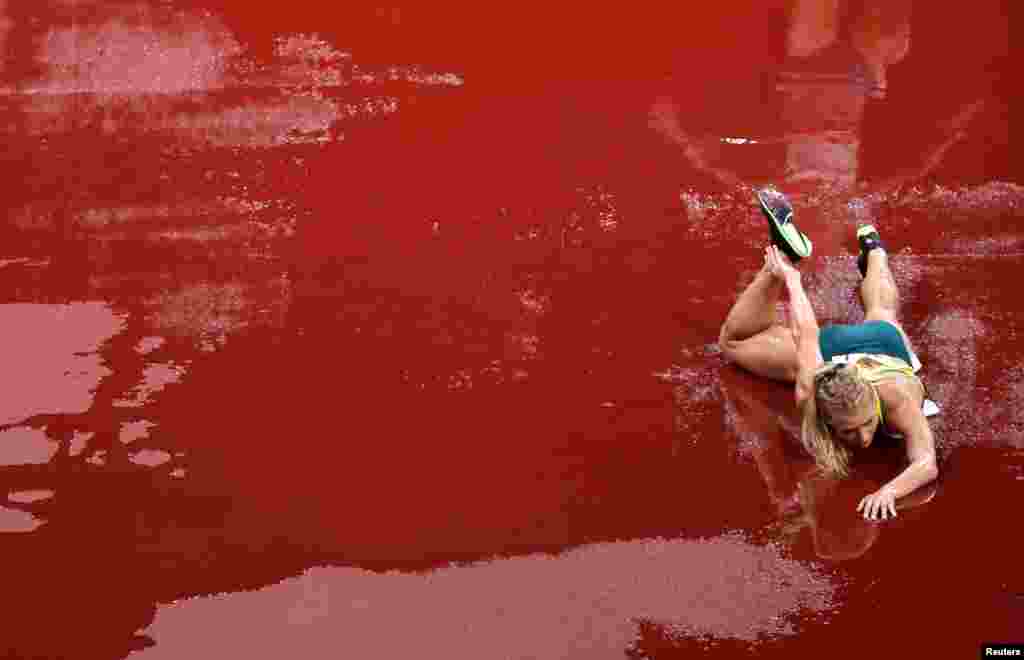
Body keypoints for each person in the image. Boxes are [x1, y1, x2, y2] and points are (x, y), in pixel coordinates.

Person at [717, 191, 938, 520]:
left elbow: (926, 464)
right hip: (839, 350)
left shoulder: (896, 398)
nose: (864, 438)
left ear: (872, 399)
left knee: (883, 311)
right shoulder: (812, 391)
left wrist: (889, 491)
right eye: (848, 431)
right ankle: (781, 263)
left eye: (866, 424)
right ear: (825, 416)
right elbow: (804, 333)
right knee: (733, 343)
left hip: (882, 347)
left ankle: (874, 251)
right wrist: (789, 279)